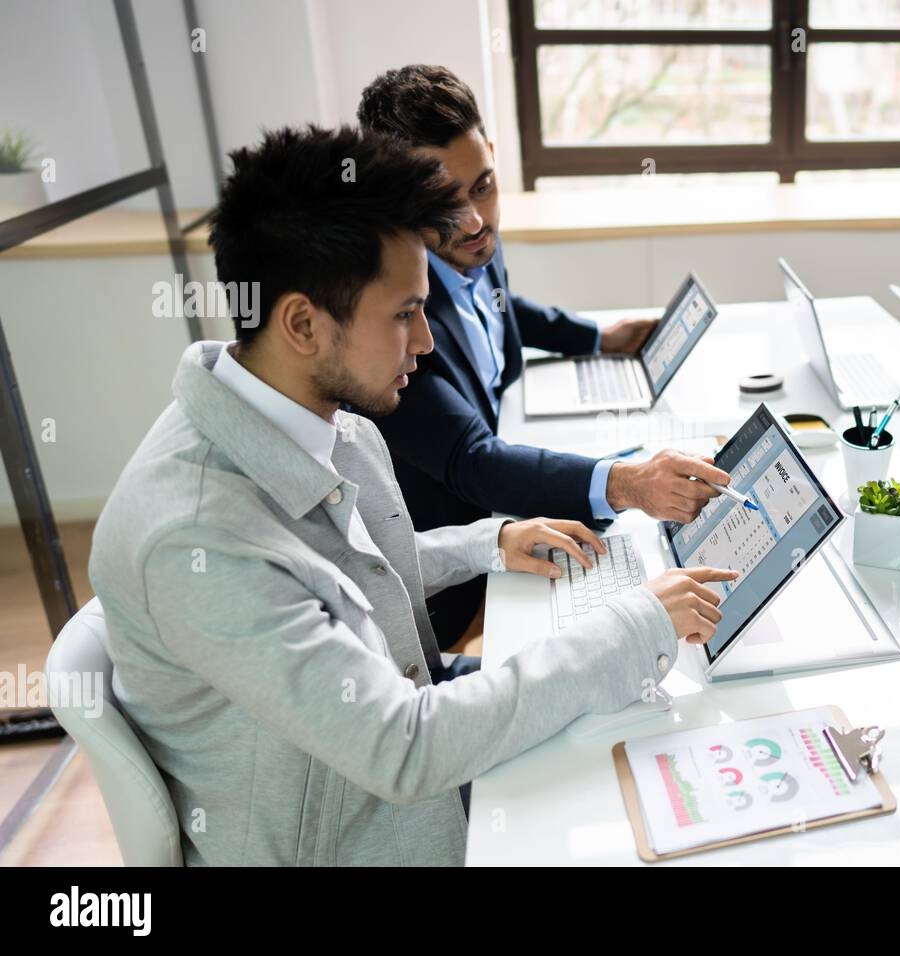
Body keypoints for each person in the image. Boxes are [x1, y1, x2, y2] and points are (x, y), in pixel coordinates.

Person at [87, 125, 738, 865]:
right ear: (302, 323)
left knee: (672, 721)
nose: (426, 342)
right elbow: (405, 750)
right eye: (403, 314)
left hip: (390, 753)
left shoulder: (318, 417)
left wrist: (488, 542)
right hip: (364, 831)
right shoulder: (196, 537)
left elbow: (342, 576)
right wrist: (633, 625)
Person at [357, 64, 732, 649]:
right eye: (443, 203)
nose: (475, 221)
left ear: (492, 158)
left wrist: (596, 337)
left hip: (509, 519)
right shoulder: (390, 318)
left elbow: (497, 305)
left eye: (483, 186)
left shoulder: (469, 242)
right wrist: (630, 484)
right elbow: (473, 461)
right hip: (459, 588)